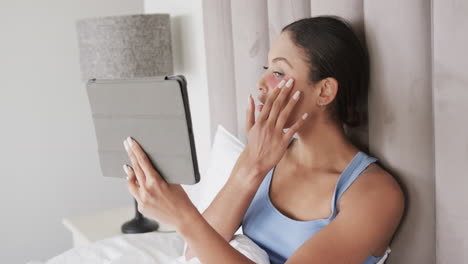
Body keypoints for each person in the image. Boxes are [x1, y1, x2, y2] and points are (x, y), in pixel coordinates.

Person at [123, 15, 404, 264]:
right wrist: (253, 166)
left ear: (324, 91)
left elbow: (192, 230)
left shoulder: (375, 195)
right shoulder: (263, 157)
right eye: (266, 69)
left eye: (279, 72)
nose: (260, 83)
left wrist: (182, 216)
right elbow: (194, 253)